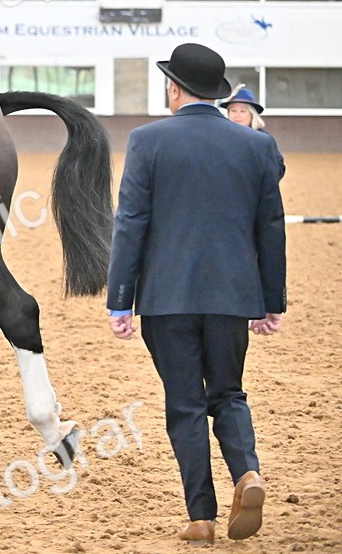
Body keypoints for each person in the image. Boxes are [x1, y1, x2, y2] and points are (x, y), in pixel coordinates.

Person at [106, 43, 286, 544]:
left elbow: (130, 223)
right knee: (228, 392)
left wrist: (120, 298)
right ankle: (246, 472)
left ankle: (201, 517)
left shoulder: (147, 141)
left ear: (174, 88)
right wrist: (271, 301)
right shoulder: (256, 146)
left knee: (184, 403)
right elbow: (271, 227)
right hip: (232, 296)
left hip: (166, 298)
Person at [220, 85, 285, 179]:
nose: (237, 115)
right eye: (233, 111)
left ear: (252, 114)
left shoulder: (263, 140)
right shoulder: (220, 137)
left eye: (243, 111)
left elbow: (277, 170)